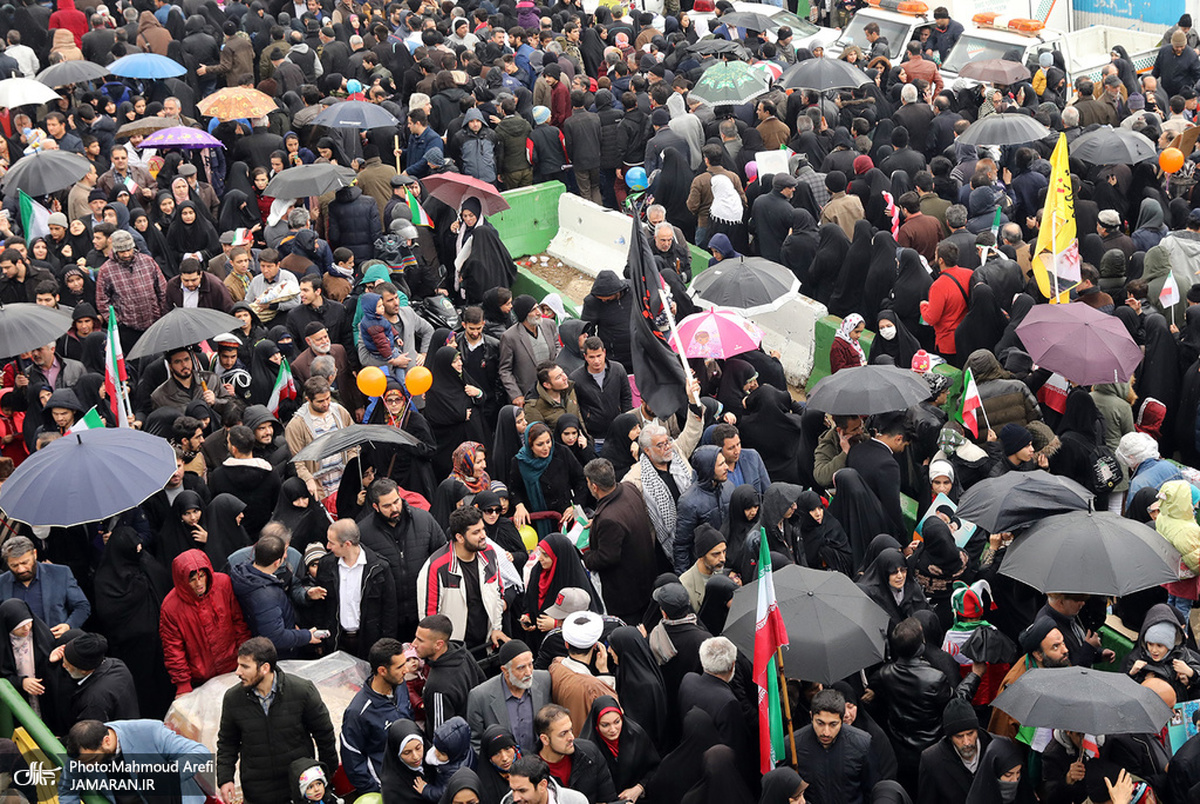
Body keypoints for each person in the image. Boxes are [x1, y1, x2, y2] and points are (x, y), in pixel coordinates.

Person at [216, 637, 338, 804]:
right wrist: (225, 778)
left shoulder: (302, 691)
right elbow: (227, 743)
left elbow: (324, 735)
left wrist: (326, 776)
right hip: (258, 792)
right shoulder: (233, 699)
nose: (238, 672)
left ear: (265, 668)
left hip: (298, 788)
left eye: (245, 666)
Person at [357, 478, 447, 640]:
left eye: (396, 502)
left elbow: (443, 556)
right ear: (375, 507)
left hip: (423, 610)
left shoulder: (424, 520)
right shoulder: (364, 532)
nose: (394, 508)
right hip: (389, 617)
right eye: (387, 506)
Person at [160, 550, 251, 697]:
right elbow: (173, 649)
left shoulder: (223, 584)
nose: (199, 583)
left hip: (233, 668)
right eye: (192, 580)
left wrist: (247, 657)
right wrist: (183, 685)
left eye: (202, 576)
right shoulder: (170, 607)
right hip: (202, 678)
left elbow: (239, 623)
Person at [580, 458, 659, 622]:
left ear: (594, 486)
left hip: (627, 594)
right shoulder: (630, 488)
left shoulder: (608, 519)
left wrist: (585, 557)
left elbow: (607, 557)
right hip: (646, 579)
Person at [60, 719, 211, 804]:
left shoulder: (149, 730)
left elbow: (200, 753)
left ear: (107, 741)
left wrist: (161, 774)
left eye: (92, 760)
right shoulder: (82, 756)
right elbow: (67, 790)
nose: (87, 767)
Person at [417, 506, 505, 649]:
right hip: (454, 649)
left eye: (483, 529)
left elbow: (498, 593)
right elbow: (429, 618)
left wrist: (496, 627)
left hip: (487, 644)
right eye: (476, 532)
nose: (483, 535)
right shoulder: (436, 566)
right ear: (459, 537)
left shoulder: (489, 553)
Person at [229, 530, 324, 660]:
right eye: (284, 553)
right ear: (276, 563)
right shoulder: (265, 596)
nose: (286, 556)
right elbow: (276, 637)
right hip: (278, 656)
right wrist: (306, 636)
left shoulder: (248, 574)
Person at [313, 520, 397, 659]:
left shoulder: (379, 567)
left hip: (369, 642)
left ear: (347, 544)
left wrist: (386, 647)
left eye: (331, 543)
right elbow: (320, 606)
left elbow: (389, 611)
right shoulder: (326, 564)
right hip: (336, 641)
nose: (328, 546)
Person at [341, 638, 414, 795]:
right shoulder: (357, 712)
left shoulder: (401, 686)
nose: (406, 670)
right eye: (400, 666)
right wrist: (376, 790)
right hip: (386, 791)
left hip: (412, 780)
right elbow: (352, 758)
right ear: (382, 671)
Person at [677, 636, 754, 780]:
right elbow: (736, 747)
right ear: (733, 666)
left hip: (689, 759)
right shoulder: (728, 702)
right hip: (715, 771)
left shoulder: (688, 680)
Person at [466, 638, 554, 756]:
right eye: (521, 667)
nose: (528, 672)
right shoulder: (480, 696)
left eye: (530, 664)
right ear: (505, 670)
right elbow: (476, 742)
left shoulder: (545, 680)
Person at [791, 688, 878, 804]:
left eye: (833, 724)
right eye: (820, 723)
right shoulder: (793, 745)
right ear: (811, 716)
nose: (826, 732)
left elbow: (871, 791)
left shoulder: (862, 744)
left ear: (842, 720)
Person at [414, 613, 486, 740]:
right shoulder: (463, 654)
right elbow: (483, 686)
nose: (414, 644)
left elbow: (441, 734)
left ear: (438, 645)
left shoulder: (437, 685)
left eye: (420, 640)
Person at [0, 536, 90, 637]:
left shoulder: (60, 574)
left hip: (54, 642)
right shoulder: (2, 582)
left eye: (25, 563)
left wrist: (68, 626)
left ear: (35, 554)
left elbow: (82, 606)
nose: (21, 569)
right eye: (14, 565)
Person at [533, 703, 617, 804]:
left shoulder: (590, 753)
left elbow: (609, 799)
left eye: (570, 730)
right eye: (563, 734)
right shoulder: (531, 771)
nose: (571, 737)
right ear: (545, 739)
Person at [54, 632, 140, 725]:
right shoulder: (117, 664)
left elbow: (88, 736)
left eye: (67, 665)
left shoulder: (93, 701)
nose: (63, 666)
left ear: (83, 670)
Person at [919, 698, 992, 804]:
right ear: (950, 737)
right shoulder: (932, 761)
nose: (966, 742)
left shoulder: (994, 748)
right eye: (959, 736)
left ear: (977, 730)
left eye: (970, 733)